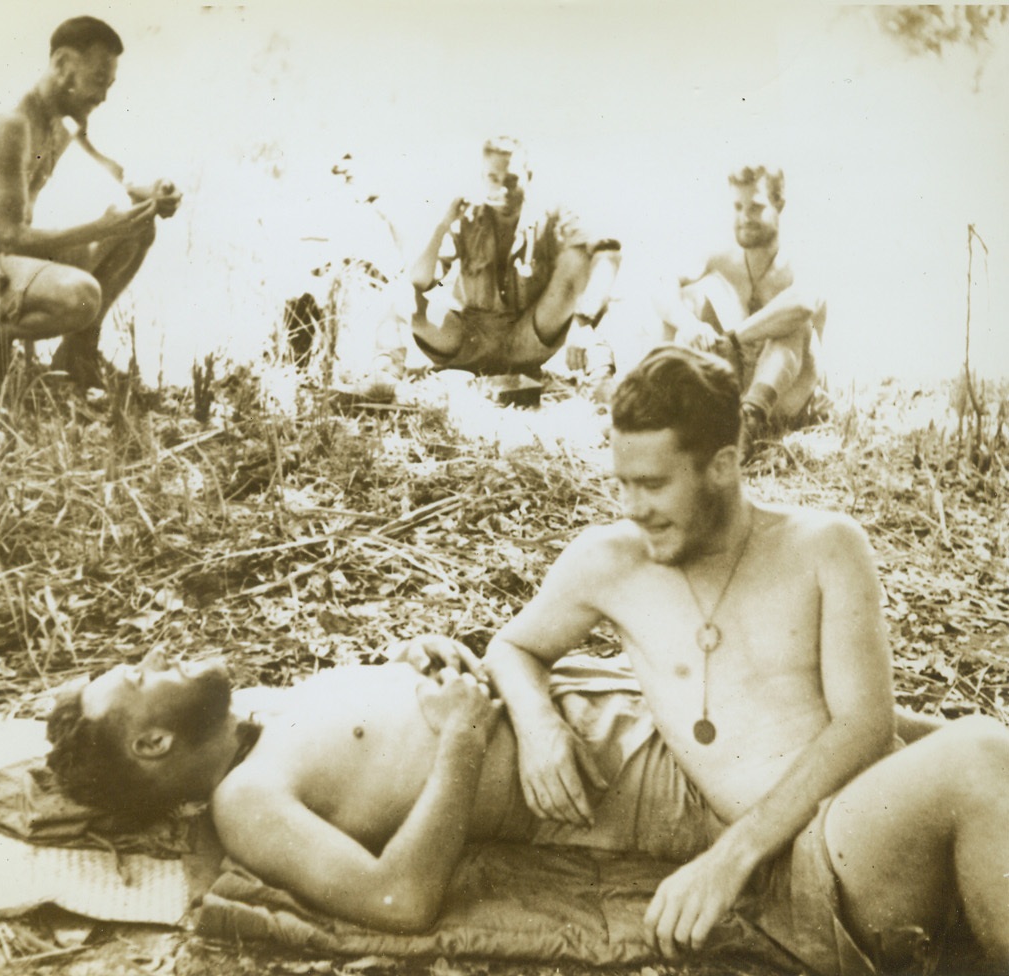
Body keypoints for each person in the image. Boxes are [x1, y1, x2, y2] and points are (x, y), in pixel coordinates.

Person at [483, 344, 1008, 975]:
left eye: (652, 484)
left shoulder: (826, 546)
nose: (631, 506)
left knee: (985, 750)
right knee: (980, 751)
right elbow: (512, 645)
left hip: (858, 827)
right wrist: (538, 725)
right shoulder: (610, 560)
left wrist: (730, 857)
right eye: (621, 482)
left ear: (724, 465)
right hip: (799, 870)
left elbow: (868, 724)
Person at [46, 633, 954, 952]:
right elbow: (396, 900)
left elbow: (379, 734)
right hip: (665, 781)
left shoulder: (263, 716)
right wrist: (462, 741)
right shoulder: (248, 802)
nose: (156, 657)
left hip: (642, 703)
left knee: (924, 740)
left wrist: (427, 659)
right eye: (139, 674)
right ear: (153, 741)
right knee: (962, 780)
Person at [0, 16, 182, 390]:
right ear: (63, 65)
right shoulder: (10, 124)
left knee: (139, 227)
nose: (103, 97)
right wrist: (100, 228)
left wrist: (149, 194)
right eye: (98, 80)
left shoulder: (58, 121)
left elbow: (115, 174)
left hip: (5, 258)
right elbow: (12, 236)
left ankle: (78, 356)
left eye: (108, 85)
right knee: (82, 294)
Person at [357, 136, 621, 401]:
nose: (503, 190)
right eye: (494, 178)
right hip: (470, 338)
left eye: (512, 179)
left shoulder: (553, 216)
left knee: (578, 257)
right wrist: (443, 224)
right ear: (483, 178)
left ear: (528, 177)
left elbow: (608, 254)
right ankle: (384, 376)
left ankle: (600, 381)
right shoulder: (469, 216)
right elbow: (421, 280)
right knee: (402, 293)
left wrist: (582, 324)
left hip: (529, 337)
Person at [657, 165, 825, 449]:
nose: (744, 218)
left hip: (790, 397)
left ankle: (751, 418)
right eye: (737, 207)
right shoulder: (723, 257)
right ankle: (662, 406)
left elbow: (804, 303)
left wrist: (735, 337)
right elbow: (662, 281)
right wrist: (689, 324)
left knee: (794, 323)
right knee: (688, 301)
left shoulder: (801, 257)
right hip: (739, 388)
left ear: (779, 205)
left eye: (756, 207)